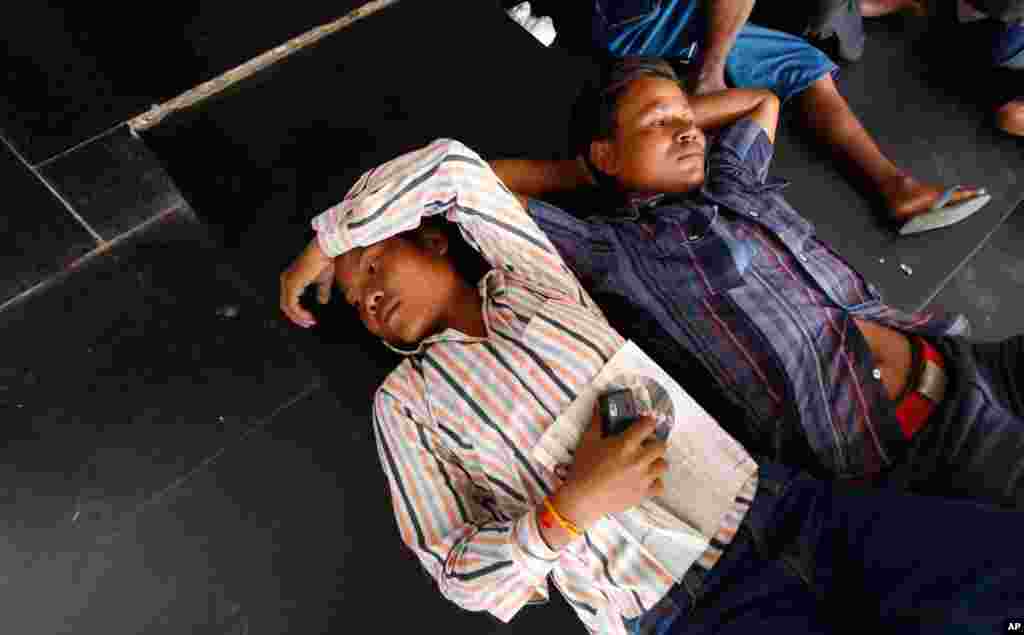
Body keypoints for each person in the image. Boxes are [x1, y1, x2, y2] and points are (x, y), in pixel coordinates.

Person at [277, 135, 1024, 634]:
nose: (369, 295)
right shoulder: (404, 402)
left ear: (435, 241)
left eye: (374, 266)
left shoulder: (535, 285)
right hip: (687, 611)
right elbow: (454, 568)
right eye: (357, 301)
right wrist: (565, 512)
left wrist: (330, 239)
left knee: (1001, 571)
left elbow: (452, 169)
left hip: (782, 503)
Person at [488, 57, 1024, 508]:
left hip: (960, 356)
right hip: (918, 449)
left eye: (688, 119)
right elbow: (480, 182)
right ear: (605, 153)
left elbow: (760, 103)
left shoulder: (734, 183)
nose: (687, 130)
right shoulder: (615, 249)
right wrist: (585, 172)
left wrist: (667, 120)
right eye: (658, 122)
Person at [590, 0, 993, 236]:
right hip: (629, 15)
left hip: (676, 13)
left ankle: (896, 187)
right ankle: (707, 78)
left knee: (803, 65)